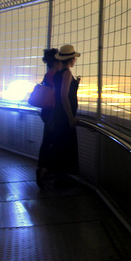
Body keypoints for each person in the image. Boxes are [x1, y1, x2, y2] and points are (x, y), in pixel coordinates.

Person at [46, 44, 81, 188]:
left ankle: (57, 178)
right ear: (72, 59)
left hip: (58, 115)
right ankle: (44, 173)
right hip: (65, 117)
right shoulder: (66, 73)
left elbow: (56, 94)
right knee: (64, 148)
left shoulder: (57, 74)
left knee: (59, 146)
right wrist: (70, 117)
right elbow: (64, 96)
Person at [36, 48, 60, 188]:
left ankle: (43, 168)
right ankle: (44, 171)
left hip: (46, 112)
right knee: (52, 142)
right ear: (57, 61)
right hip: (52, 113)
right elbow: (58, 96)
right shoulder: (54, 75)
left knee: (47, 141)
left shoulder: (48, 74)